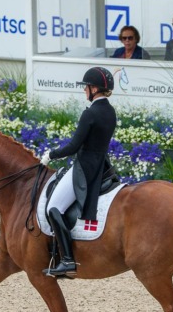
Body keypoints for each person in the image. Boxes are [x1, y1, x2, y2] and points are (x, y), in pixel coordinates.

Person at [39, 67, 117, 279]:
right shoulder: (110, 111)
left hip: (84, 168)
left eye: (86, 87)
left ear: (94, 88)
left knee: (53, 208)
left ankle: (67, 260)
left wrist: (51, 154)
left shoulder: (90, 113)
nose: (84, 90)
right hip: (102, 165)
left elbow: (74, 146)